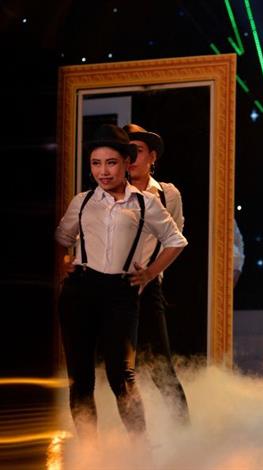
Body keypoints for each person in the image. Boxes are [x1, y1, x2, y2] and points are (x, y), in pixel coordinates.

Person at [55, 124, 187, 440]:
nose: (103, 171)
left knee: (123, 375)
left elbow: (176, 240)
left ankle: (143, 448)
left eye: (111, 162)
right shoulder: (82, 201)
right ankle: (89, 450)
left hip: (123, 292)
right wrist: (63, 264)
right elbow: (61, 237)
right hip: (80, 291)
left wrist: (151, 272)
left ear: (126, 162)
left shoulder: (147, 201)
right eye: (96, 163)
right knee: (80, 379)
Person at [123, 123, 190, 425]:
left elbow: (175, 240)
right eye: (124, 152)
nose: (130, 159)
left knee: (161, 368)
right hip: (111, 288)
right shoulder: (110, 193)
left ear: (152, 156)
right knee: (122, 371)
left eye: (136, 151)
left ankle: (183, 433)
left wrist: (151, 272)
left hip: (148, 289)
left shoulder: (167, 194)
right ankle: (134, 438)